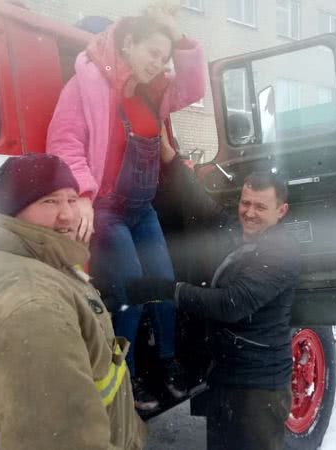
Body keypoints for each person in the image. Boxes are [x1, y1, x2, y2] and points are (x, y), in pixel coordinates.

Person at [46, 3, 205, 411]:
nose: (159, 63)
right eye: (153, 52)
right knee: (131, 288)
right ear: (129, 42)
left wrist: (180, 39)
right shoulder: (87, 84)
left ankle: (167, 364)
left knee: (165, 284)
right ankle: (126, 374)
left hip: (142, 209)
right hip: (108, 209)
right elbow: (64, 144)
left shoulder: (155, 92)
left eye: (165, 57)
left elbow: (193, 88)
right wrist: (82, 195)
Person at [0, 153, 147, 450]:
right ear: (12, 211)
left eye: (71, 199)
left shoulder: (28, 258)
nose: (68, 214)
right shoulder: (33, 306)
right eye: (49, 201)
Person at [125, 137, 300, 450]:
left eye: (261, 206)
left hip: (259, 388)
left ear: (281, 211)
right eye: (246, 203)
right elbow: (201, 207)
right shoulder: (238, 231)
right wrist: (171, 160)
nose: (250, 212)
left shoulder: (281, 253)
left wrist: (168, 290)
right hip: (224, 374)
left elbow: (231, 303)